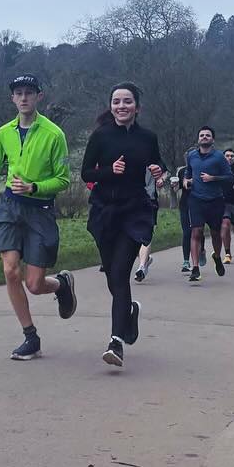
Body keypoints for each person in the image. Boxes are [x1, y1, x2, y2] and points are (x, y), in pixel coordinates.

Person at [0, 74, 76, 360]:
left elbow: (64, 179)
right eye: (19, 93)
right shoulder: (4, 132)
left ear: (39, 96)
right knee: (10, 270)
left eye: (29, 92)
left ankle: (61, 284)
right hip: (9, 206)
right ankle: (31, 337)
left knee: (34, 285)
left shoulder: (54, 134)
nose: (24, 97)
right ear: (12, 98)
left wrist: (34, 187)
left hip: (39, 210)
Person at [80, 83, 167, 369]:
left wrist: (159, 171)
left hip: (134, 210)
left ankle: (115, 342)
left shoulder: (147, 137)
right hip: (105, 211)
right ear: (111, 106)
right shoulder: (101, 136)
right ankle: (129, 311)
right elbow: (86, 173)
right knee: (112, 276)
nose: (121, 106)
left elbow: (157, 163)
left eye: (127, 101)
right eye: (116, 101)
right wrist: (109, 171)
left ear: (137, 107)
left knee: (119, 272)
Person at [182, 126, 231, 282]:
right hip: (196, 199)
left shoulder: (219, 157)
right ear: (198, 139)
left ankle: (217, 256)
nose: (204, 137)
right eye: (202, 135)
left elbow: (229, 177)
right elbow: (188, 173)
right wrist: (185, 181)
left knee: (216, 233)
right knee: (196, 231)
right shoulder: (191, 155)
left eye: (207, 135)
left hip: (215, 200)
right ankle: (195, 268)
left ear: (212, 139)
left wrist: (213, 178)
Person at [133, 165, 161, 283]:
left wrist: (161, 179)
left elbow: (164, 171)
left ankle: (141, 267)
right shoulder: (125, 157)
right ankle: (146, 259)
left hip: (149, 199)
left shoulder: (152, 158)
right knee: (132, 237)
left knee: (146, 233)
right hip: (130, 200)